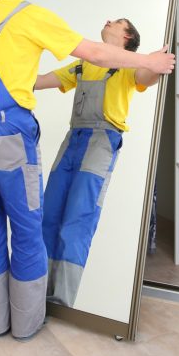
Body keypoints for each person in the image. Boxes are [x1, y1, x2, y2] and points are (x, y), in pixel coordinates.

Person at [0, 0, 175, 341]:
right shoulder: (32, 17)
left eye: (118, 22)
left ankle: (3, 319)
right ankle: (26, 322)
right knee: (30, 223)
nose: (110, 21)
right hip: (12, 134)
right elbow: (75, 62)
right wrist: (150, 59)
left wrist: (149, 66)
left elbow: (137, 75)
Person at [34, 18, 163, 307]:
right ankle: (34, 293)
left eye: (117, 22)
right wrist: (7, 73)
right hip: (73, 140)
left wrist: (156, 64)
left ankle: (61, 300)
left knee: (78, 218)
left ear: (127, 36)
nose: (108, 21)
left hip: (102, 141)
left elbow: (147, 77)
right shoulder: (81, 65)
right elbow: (41, 82)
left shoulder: (129, 65)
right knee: (49, 214)